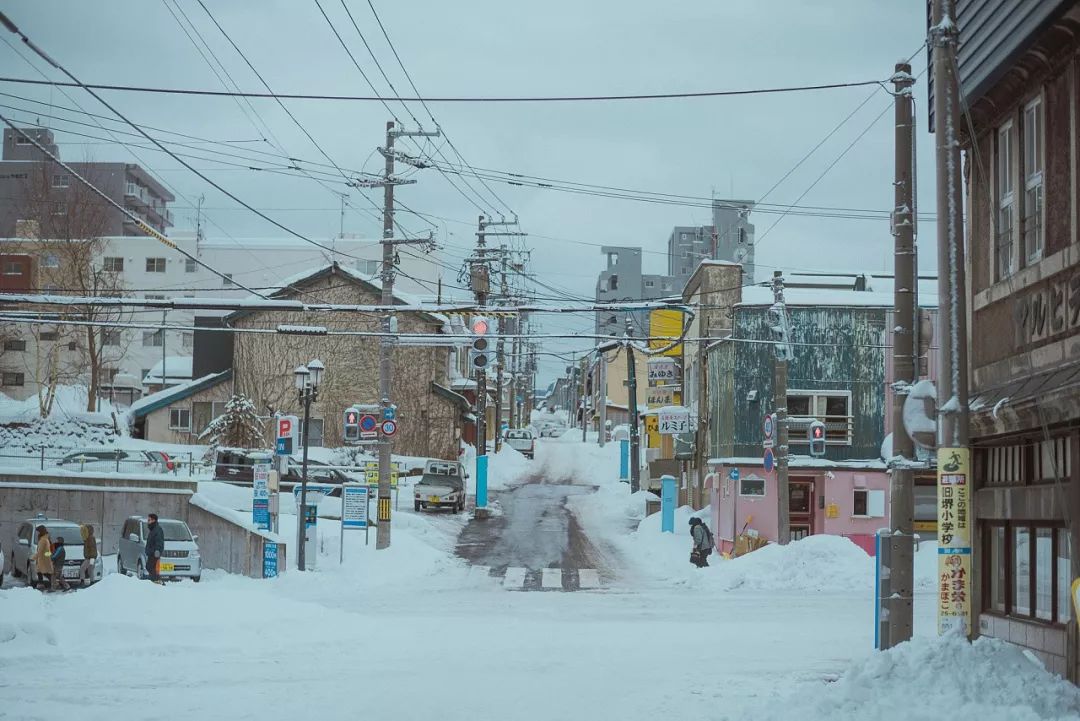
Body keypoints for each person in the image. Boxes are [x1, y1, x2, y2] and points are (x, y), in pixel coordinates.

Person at [145, 513, 165, 584]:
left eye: (149, 520)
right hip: (151, 552)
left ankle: (158, 581)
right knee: (151, 568)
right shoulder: (153, 529)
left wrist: (157, 550)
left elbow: (159, 542)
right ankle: (154, 582)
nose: (148, 522)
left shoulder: (157, 530)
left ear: (154, 520)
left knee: (149, 567)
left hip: (154, 553)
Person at [33, 525, 53, 590]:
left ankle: (52, 584)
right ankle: (41, 584)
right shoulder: (44, 537)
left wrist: (34, 557)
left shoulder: (44, 539)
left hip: (44, 557)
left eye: (38, 531)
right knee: (40, 571)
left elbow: (41, 550)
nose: (38, 533)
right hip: (43, 557)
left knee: (45, 572)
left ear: (41, 531)